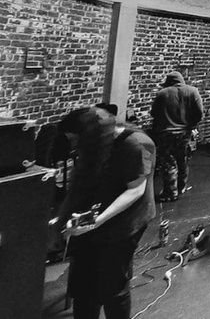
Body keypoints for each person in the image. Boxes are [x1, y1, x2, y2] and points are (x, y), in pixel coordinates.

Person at [51, 107, 156, 319]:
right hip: (98, 213)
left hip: (127, 220)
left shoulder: (135, 143)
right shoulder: (96, 146)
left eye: (77, 141)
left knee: (113, 286)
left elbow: (135, 190)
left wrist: (96, 221)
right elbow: (83, 183)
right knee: (83, 286)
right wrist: (62, 219)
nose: (75, 147)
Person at [150, 71, 203, 202]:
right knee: (183, 159)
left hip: (166, 133)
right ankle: (181, 186)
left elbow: (154, 113)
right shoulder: (193, 91)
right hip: (185, 133)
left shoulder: (163, 93)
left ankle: (170, 192)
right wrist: (191, 124)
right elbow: (199, 113)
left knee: (169, 162)